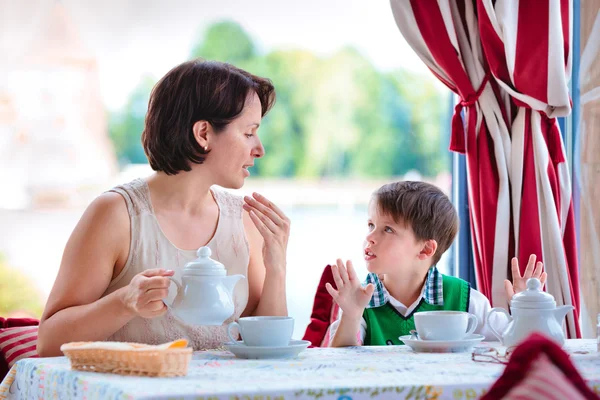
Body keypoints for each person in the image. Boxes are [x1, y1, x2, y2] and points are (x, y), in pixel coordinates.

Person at [37, 59, 290, 356]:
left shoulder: (245, 222)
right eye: (248, 133)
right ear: (204, 134)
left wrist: (277, 267)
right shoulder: (116, 215)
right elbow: (49, 342)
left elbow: (267, 347)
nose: (259, 149)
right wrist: (124, 302)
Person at [327, 180, 546, 346]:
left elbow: (511, 347)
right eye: (370, 225)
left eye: (388, 229)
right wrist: (352, 314)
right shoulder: (360, 299)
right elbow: (340, 367)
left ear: (425, 249)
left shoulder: (463, 298)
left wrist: (525, 311)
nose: (370, 237)